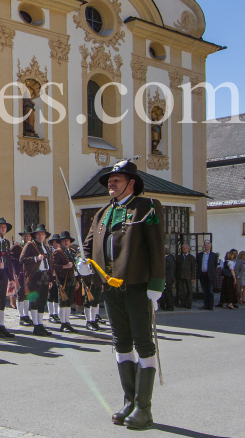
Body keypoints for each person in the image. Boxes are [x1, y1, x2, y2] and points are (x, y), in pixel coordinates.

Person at [79, 159, 165, 430]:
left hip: (138, 285)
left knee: (143, 344)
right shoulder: (103, 212)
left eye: (116, 179)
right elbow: (90, 244)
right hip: (110, 288)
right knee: (121, 343)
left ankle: (144, 408)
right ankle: (129, 402)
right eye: (109, 180)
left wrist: (156, 285)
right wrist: (83, 262)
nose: (110, 183)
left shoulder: (147, 207)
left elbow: (156, 246)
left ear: (131, 183)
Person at [20, 224, 54, 336]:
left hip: (45, 276)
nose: (40, 236)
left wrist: (50, 279)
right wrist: (35, 258)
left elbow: (49, 264)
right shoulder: (30, 245)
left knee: (42, 301)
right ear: (35, 235)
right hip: (35, 276)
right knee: (34, 301)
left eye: (42, 234)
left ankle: (40, 324)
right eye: (39, 234)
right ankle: (36, 326)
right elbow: (22, 259)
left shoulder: (46, 247)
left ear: (45, 236)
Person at [12, 226, 33, 325]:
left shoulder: (32, 247)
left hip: (28, 274)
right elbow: (13, 259)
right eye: (26, 236)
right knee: (21, 296)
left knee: (27, 295)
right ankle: (21, 317)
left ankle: (26, 315)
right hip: (20, 273)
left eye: (29, 236)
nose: (28, 238)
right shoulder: (18, 247)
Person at [196, 242, 220, 310]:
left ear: (210, 247)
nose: (206, 247)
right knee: (205, 290)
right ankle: (206, 304)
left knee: (210, 290)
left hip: (210, 275)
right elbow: (198, 263)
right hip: (202, 274)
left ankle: (210, 305)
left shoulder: (213, 255)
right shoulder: (200, 255)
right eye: (205, 245)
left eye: (207, 245)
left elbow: (215, 265)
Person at [175, 244, 196, 309]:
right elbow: (176, 267)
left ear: (188, 249)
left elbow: (193, 268)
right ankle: (182, 302)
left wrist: (193, 277)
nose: (184, 249)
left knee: (189, 290)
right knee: (181, 290)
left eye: (186, 248)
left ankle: (189, 303)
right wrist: (175, 276)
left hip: (188, 276)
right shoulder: (179, 257)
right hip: (180, 275)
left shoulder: (191, 257)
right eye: (183, 248)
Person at [160, 245, 176, 311]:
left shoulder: (168, 258)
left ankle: (170, 306)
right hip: (168, 278)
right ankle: (167, 305)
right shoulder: (168, 258)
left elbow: (163, 267)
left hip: (168, 278)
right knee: (167, 292)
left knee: (168, 293)